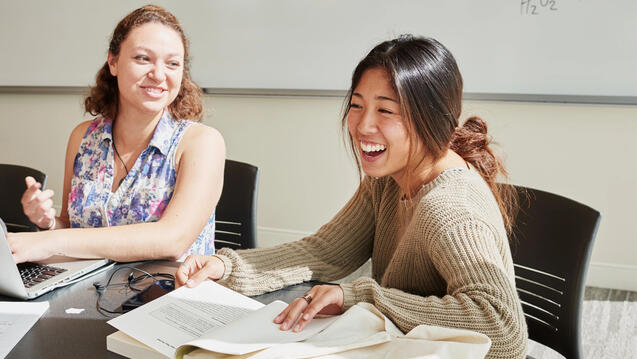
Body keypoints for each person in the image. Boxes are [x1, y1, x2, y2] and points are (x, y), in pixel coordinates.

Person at [175, 35, 527, 358]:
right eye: (357, 105)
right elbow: (325, 251)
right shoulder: (391, 176)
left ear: (431, 119)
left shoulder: (449, 208)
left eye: (385, 110)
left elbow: (504, 328)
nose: (362, 126)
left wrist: (358, 296)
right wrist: (227, 267)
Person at [8, 5, 225, 263]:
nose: (158, 75)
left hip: (167, 294)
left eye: (172, 63)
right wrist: (48, 223)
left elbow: (172, 240)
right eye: (143, 58)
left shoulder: (202, 142)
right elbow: (71, 228)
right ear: (113, 62)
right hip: (89, 293)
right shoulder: (83, 138)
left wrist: (51, 240)